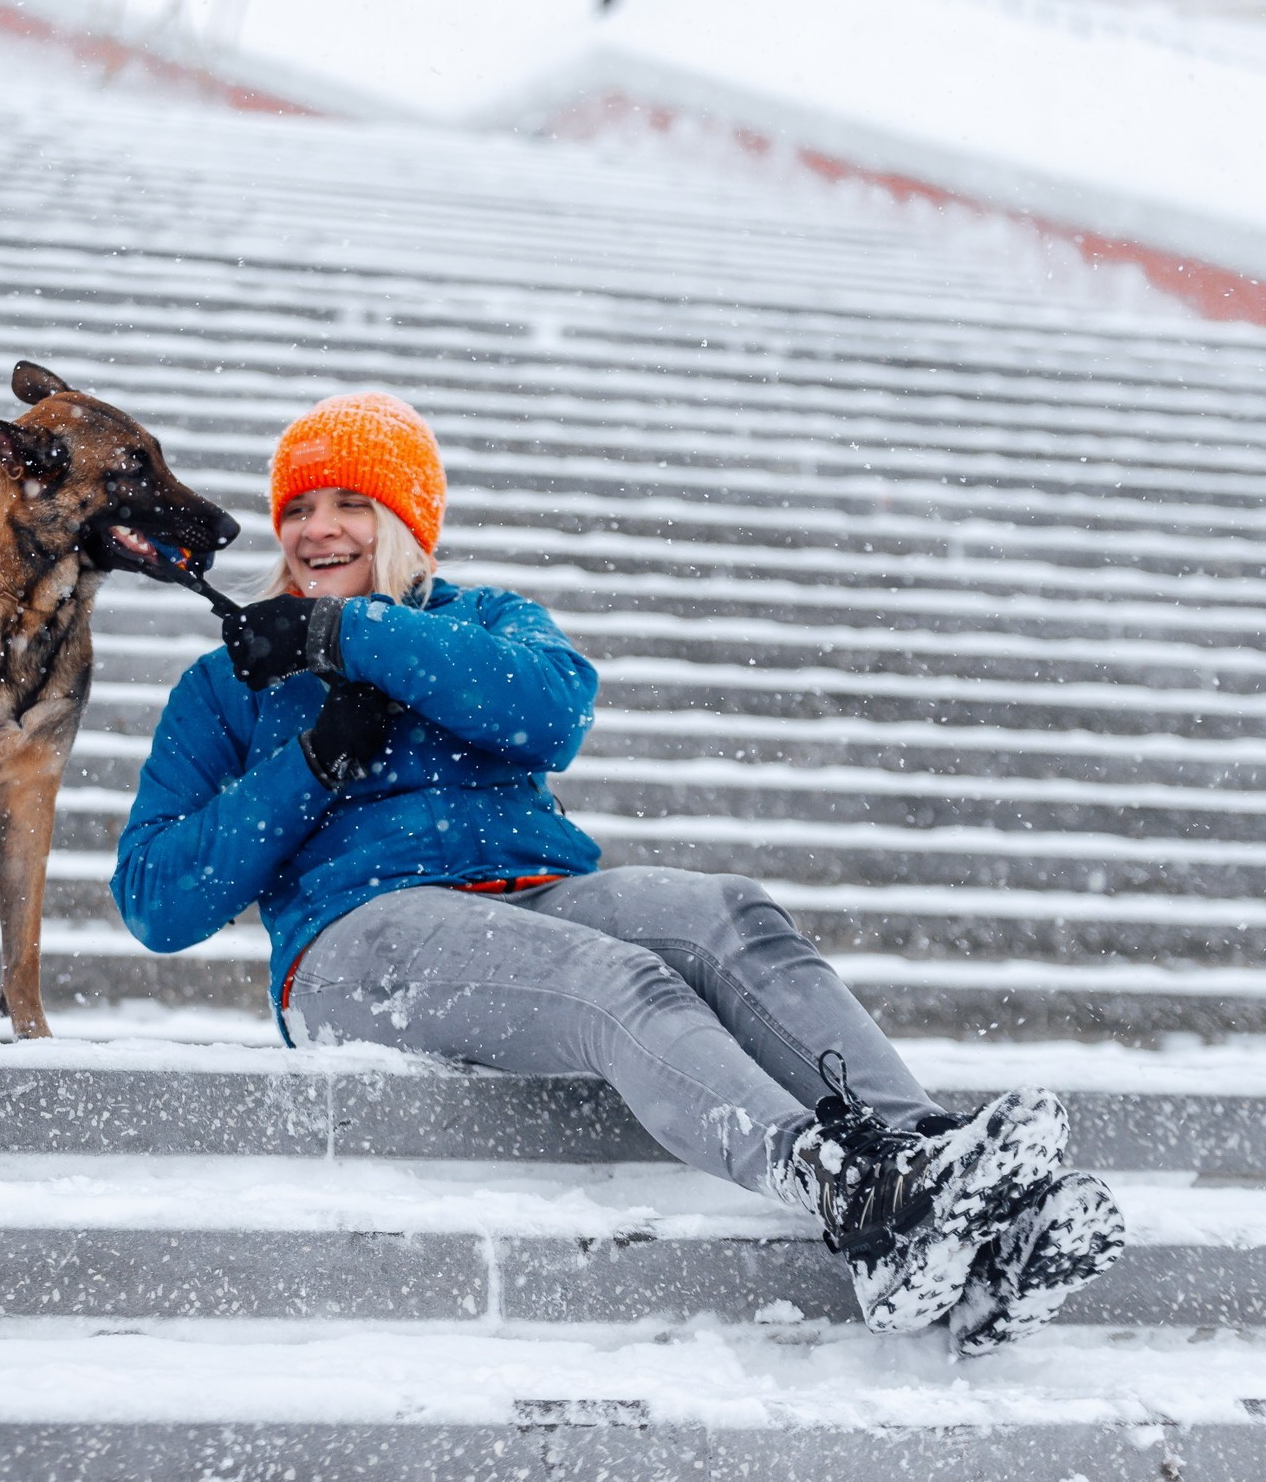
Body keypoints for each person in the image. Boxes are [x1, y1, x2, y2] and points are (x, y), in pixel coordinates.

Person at [113, 391, 1124, 1348]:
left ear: (405, 519)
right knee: (615, 979)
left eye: (349, 503)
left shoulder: (482, 618)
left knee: (727, 914)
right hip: (351, 940)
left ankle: (932, 1175)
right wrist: (311, 762)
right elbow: (158, 899)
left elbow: (549, 714)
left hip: (533, 885)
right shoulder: (227, 680)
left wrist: (357, 635)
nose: (317, 528)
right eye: (298, 507)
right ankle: (850, 1195)